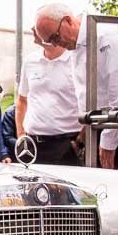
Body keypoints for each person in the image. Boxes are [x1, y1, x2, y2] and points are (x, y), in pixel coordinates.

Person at [31, 3, 118, 169]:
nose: (57, 44)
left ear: (68, 21)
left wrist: (109, 140)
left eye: (55, 37)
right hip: (104, 125)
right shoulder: (77, 44)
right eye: (51, 41)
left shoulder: (105, 36)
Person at [16, 29, 83, 166]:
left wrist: (79, 142)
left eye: (40, 28)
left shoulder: (76, 60)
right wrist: (21, 135)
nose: (33, 30)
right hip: (34, 144)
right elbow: (22, 100)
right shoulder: (30, 61)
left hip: (68, 144)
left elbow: (91, 104)